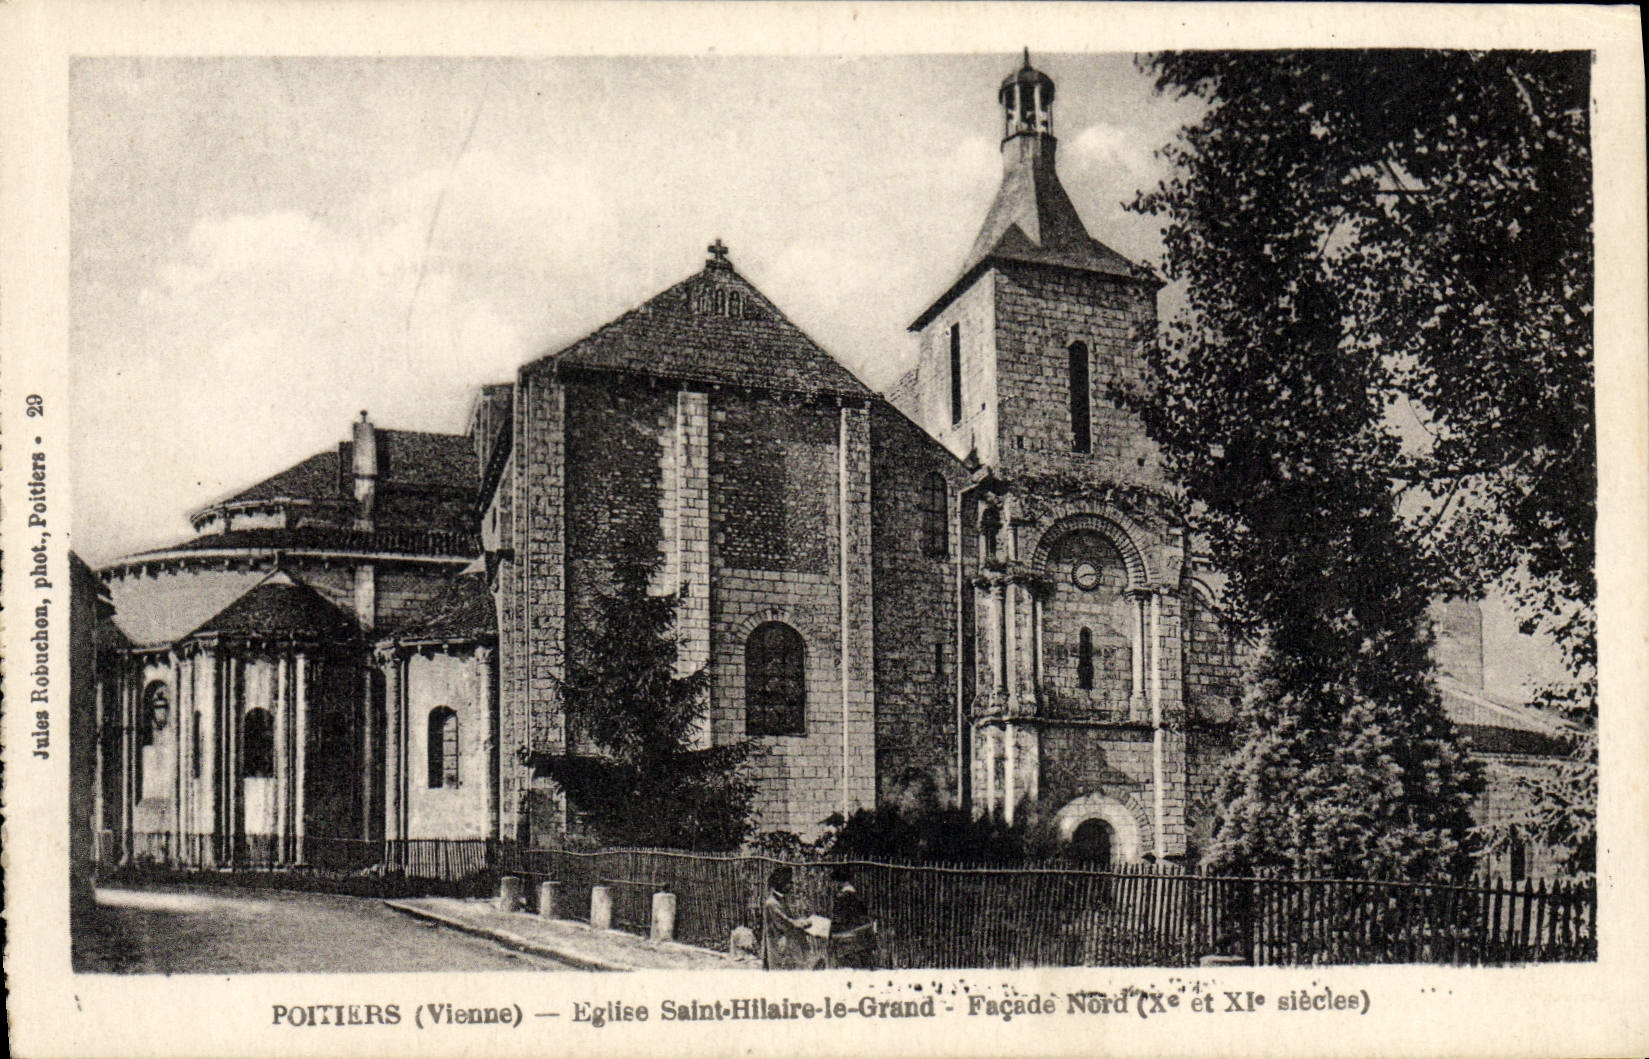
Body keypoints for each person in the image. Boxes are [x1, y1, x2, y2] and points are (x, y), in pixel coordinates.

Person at [761, 866, 815, 970]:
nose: (791, 885)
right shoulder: (772, 903)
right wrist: (804, 923)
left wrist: (800, 921)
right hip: (778, 942)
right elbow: (785, 923)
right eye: (789, 883)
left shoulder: (781, 900)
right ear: (781, 884)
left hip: (786, 943)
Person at [826, 865, 878, 970]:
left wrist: (830, 933)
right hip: (863, 936)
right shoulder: (858, 896)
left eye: (834, 882)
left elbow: (839, 919)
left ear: (838, 882)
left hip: (848, 939)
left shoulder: (842, 897)